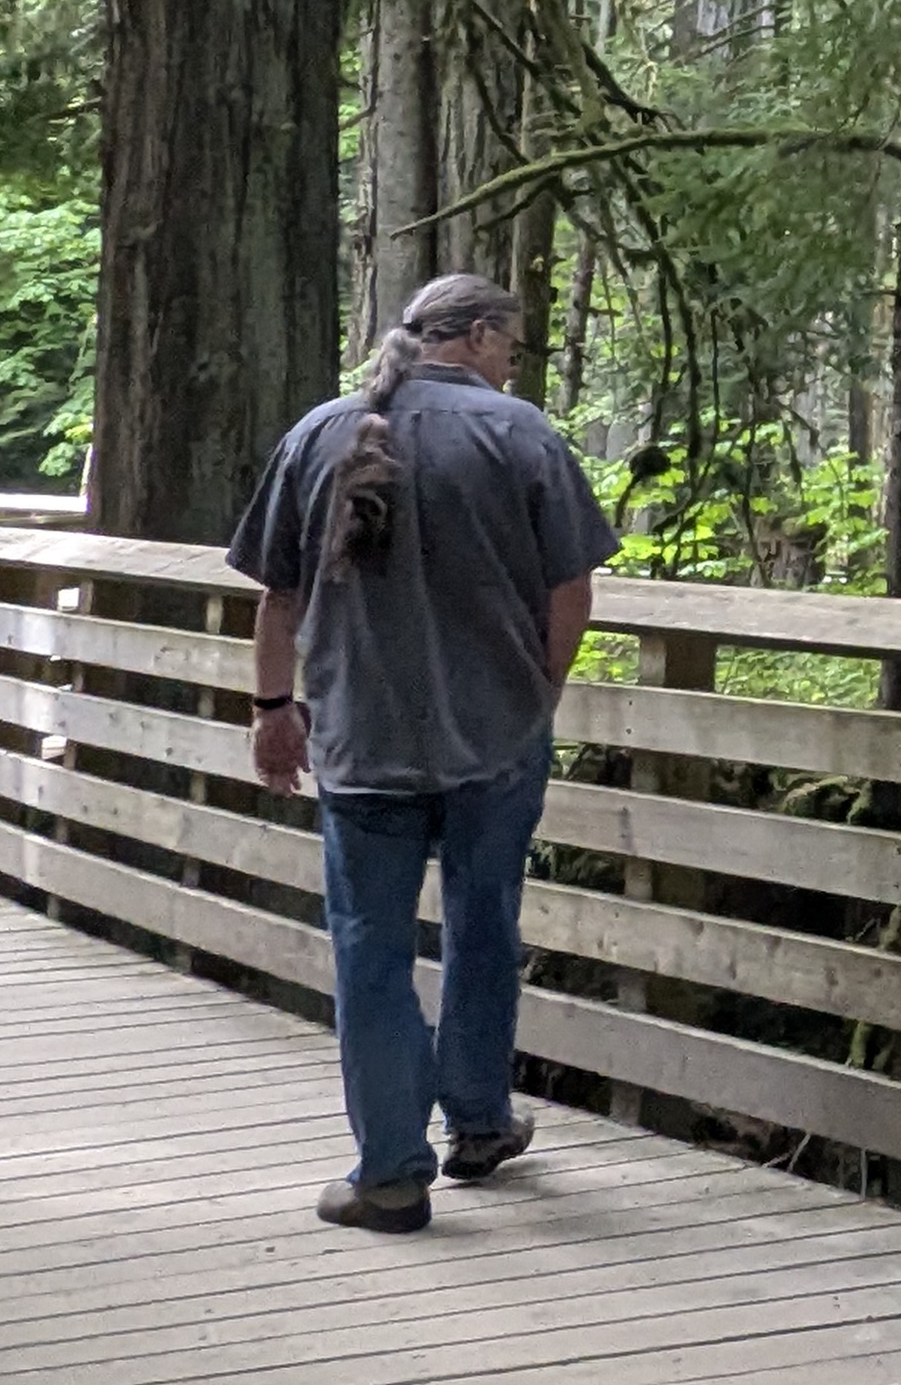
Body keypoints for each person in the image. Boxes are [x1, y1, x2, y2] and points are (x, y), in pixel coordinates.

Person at [228, 272, 620, 1232]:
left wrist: (274, 707)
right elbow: (571, 595)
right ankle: (479, 1122)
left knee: (371, 945)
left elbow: (278, 598)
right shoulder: (521, 435)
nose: (511, 363)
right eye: (511, 345)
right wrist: (537, 693)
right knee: (484, 923)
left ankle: (392, 1174)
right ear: (478, 337)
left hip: (361, 743)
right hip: (497, 741)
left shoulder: (318, 434)